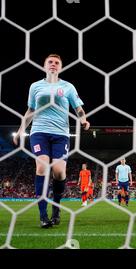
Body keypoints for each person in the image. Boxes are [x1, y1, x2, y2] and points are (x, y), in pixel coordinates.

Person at [13, 54, 90, 228]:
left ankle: (56, 208)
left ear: (61, 67)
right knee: (42, 166)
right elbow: (30, 111)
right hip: (39, 131)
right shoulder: (35, 86)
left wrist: (83, 120)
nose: (53, 64)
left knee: (58, 172)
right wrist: (20, 131)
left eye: (56, 63)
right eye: (50, 62)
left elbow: (78, 108)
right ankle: (43, 215)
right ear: (44, 66)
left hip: (60, 134)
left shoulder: (68, 87)